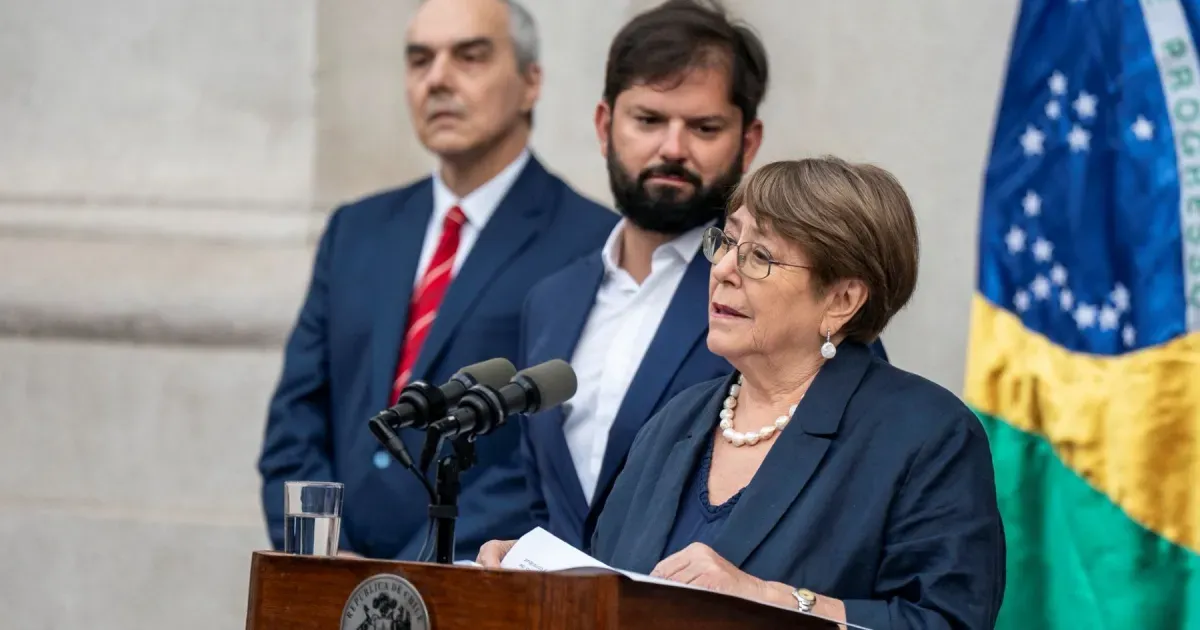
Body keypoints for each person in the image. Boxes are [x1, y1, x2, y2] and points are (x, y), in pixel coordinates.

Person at [483, 158, 1006, 629]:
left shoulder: (925, 435)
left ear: (841, 299)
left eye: (760, 256)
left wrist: (764, 599)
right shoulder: (677, 419)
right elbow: (618, 583)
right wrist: (542, 575)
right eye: (727, 242)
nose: (724, 270)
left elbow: (944, 622)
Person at [517, 0, 889, 552]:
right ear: (604, 125)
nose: (672, 148)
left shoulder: (787, 302)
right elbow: (539, 498)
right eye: (648, 120)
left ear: (749, 140)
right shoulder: (551, 300)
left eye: (704, 127)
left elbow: (850, 505)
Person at [257, 0, 617, 562]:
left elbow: (557, 450)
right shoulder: (357, 229)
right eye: (420, 60)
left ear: (530, 83)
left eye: (470, 57)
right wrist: (327, 558)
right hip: (328, 581)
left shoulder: (590, 242)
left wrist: (414, 574)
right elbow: (295, 421)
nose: (439, 79)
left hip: (470, 581)